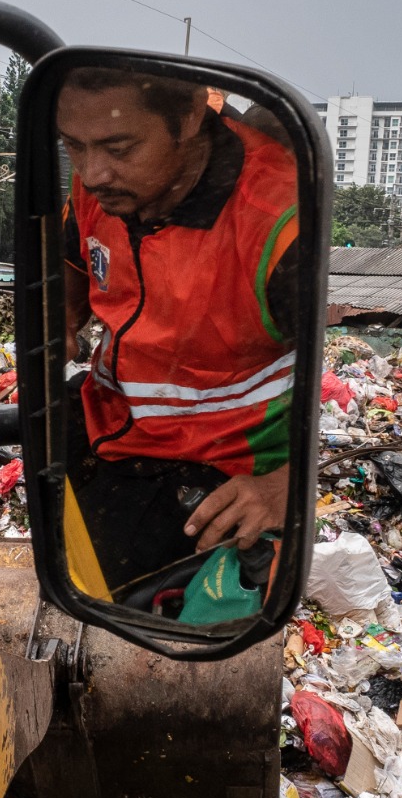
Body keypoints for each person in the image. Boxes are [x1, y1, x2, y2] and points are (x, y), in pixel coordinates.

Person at [57, 66, 302, 592]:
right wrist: (62, 324)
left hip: (217, 469)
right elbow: (71, 266)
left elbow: (325, 377)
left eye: (119, 149)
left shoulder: (279, 224)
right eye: (74, 147)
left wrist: (287, 487)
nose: (93, 173)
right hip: (103, 422)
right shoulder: (98, 188)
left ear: (191, 114)